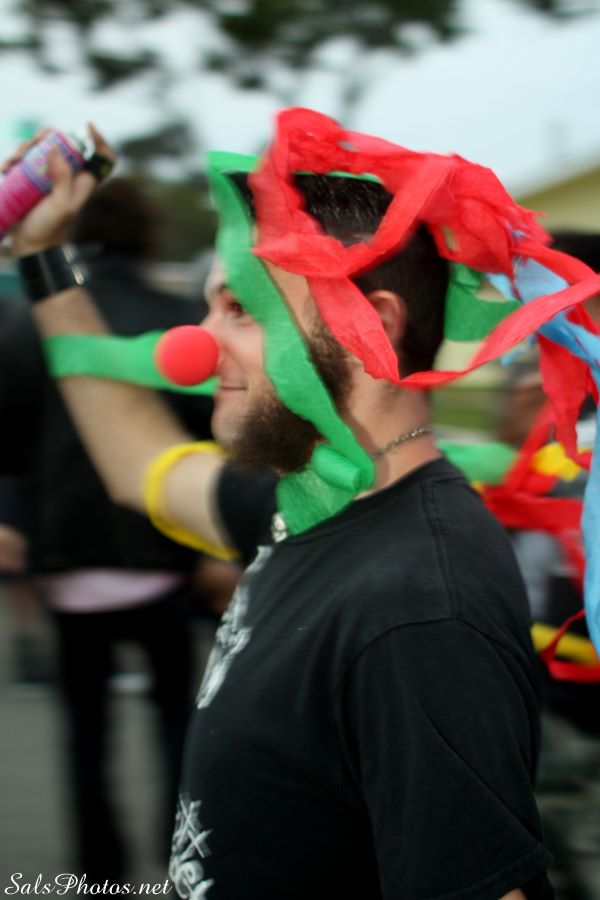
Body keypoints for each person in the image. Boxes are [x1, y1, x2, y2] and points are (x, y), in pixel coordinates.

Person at [3, 114, 560, 898]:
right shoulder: (313, 501)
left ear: (371, 330)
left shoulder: (419, 611)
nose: (196, 346)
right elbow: (139, 466)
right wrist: (42, 258)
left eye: (242, 309)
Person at [0, 175, 223, 881]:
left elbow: (8, 442)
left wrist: (14, 522)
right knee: (178, 721)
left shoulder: (28, 322)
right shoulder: (182, 318)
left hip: (68, 561)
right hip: (170, 552)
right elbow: (217, 436)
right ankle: (182, 867)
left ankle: (98, 876)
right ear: (149, 235)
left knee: (85, 732)